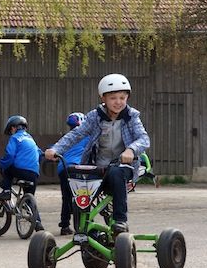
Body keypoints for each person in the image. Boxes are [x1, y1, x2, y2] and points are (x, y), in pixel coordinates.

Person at [45, 74, 150, 235]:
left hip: (122, 167)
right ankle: (86, 229)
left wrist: (131, 150)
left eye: (122, 97)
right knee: (78, 182)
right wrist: (56, 149)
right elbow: (76, 134)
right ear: (103, 98)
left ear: (127, 97)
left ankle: (120, 220)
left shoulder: (131, 117)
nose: (118, 102)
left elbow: (144, 138)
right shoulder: (95, 117)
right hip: (97, 168)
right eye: (113, 98)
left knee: (116, 172)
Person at [0, 115, 45, 232]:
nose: (11, 132)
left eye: (10, 130)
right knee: (30, 199)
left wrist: (0, 164)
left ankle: (6, 191)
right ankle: (37, 223)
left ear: (13, 128)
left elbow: (10, 156)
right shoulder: (31, 139)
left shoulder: (15, 138)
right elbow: (40, 154)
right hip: (33, 174)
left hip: (20, 171)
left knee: (6, 166)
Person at [57, 112, 90, 235]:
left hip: (63, 168)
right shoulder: (86, 137)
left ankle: (64, 226)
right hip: (77, 168)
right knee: (81, 196)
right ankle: (82, 226)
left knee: (66, 197)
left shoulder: (67, 137)